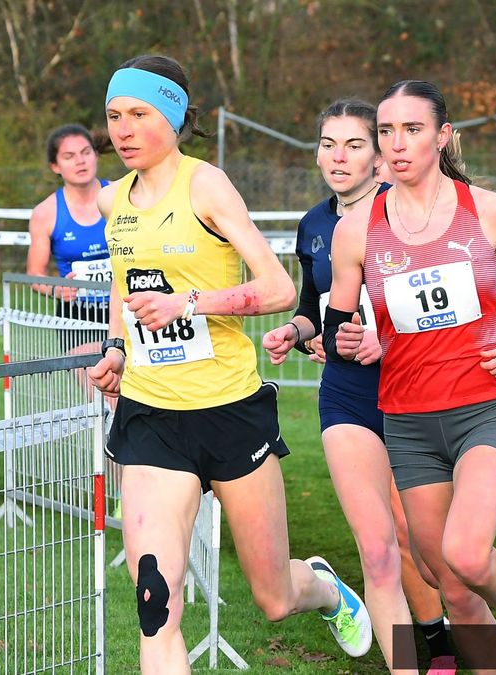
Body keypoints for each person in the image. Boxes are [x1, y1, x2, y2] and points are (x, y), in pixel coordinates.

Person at [86, 55, 399, 674]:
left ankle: (326, 587)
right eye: (114, 116)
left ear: (173, 120)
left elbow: (280, 288)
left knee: (273, 597)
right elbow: (127, 285)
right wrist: (119, 347)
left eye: (139, 115)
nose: (122, 130)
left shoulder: (205, 185)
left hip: (230, 410)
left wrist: (191, 304)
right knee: (156, 604)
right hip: (151, 416)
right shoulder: (109, 199)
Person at [324, 79, 496, 674]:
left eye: (412, 129)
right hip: (408, 424)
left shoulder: (488, 210)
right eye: (387, 131)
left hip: (483, 411)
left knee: (466, 553)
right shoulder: (355, 230)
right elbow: (339, 328)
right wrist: (342, 338)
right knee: (446, 579)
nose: (396, 143)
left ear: (443, 136)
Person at [263, 98, 455, 674]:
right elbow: (314, 308)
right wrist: (295, 333)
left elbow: (466, 312)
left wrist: (387, 344)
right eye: (328, 144)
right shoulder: (314, 225)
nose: (338, 156)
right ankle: (410, 663)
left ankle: (452, 637)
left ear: (378, 155)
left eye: (353, 144)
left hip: (413, 391)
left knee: (422, 543)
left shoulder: (411, 215)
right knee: (377, 549)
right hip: (345, 394)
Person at [26, 124, 112, 322]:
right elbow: (35, 274)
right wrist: (56, 289)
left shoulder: (124, 195)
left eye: (85, 152)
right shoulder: (45, 213)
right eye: (69, 156)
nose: (80, 161)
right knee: (92, 355)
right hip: (78, 314)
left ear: (96, 155)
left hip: (127, 308)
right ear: (55, 166)